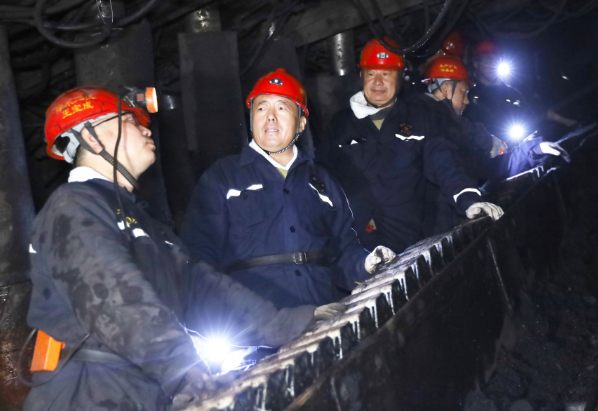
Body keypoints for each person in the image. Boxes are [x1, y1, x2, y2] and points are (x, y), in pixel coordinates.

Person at [24, 87, 330, 411]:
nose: (146, 129)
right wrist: (181, 369)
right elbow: (114, 298)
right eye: (130, 121)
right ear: (92, 137)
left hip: (141, 389)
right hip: (86, 393)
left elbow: (202, 287)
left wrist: (290, 323)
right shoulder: (73, 206)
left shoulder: (143, 222)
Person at [180, 69, 395, 310]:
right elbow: (199, 256)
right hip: (257, 321)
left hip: (324, 313)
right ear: (251, 120)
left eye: (282, 108)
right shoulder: (223, 178)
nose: (270, 117)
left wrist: (367, 263)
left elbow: (343, 251)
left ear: (301, 123)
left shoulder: (322, 183)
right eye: (261, 108)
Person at [317, 38, 504, 253]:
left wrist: (469, 200)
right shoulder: (340, 124)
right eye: (371, 73)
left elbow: (444, 162)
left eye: (386, 73)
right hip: (357, 248)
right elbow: (322, 177)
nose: (378, 82)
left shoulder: (420, 118)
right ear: (361, 76)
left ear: (400, 78)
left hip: (409, 244)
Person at [408, 55, 570, 236]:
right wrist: (468, 199)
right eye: (463, 92)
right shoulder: (421, 121)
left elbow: (488, 167)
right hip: (427, 229)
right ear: (446, 89)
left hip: (445, 224)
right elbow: (443, 163)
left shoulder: (454, 135)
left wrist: (531, 150)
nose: (467, 101)